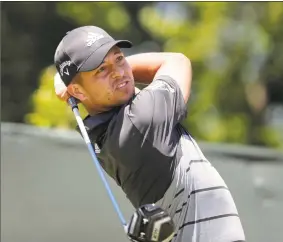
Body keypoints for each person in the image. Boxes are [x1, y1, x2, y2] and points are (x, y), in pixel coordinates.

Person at [54, 25, 246, 242]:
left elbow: (113, 86)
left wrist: (77, 82)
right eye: (101, 70)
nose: (118, 72)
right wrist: (80, 81)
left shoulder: (107, 129)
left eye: (119, 59)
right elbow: (177, 62)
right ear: (78, 92)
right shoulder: (141, 121)